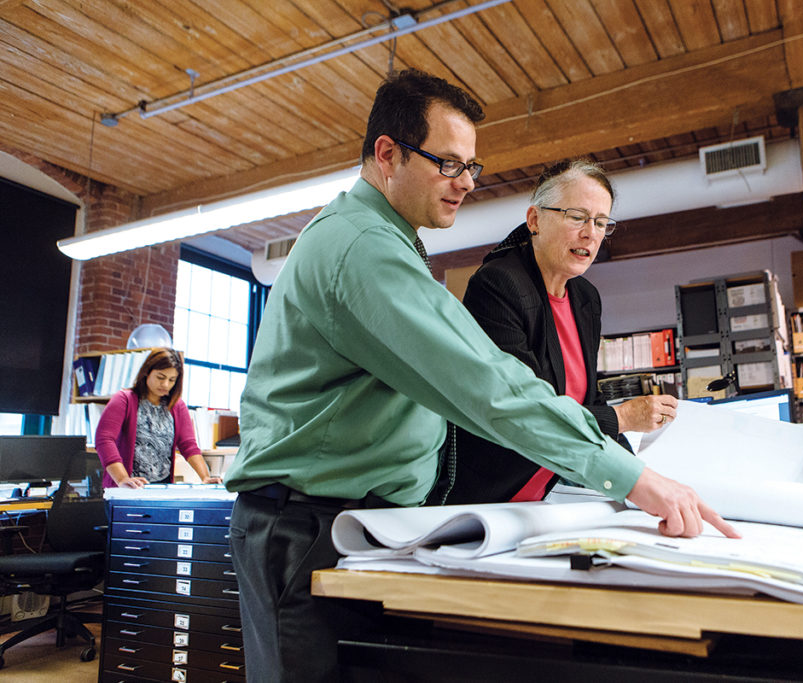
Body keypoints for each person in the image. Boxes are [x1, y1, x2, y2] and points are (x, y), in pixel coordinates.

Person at [224, 69, 737, 683]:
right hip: (306, 526)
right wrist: (633, 477)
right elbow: (487, 385)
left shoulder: (388, 240)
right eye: (447, 163)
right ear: (387, 153)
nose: (466, 182)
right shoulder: (364, 249)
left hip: (362, 523)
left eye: (472, 165)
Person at [436, 159, 678, 505]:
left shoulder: (585, 298)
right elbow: (526, 412)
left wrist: (640, 479)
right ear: (535, 220)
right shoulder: (498, 285)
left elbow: (588, 401)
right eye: (577, 217)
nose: (590, 233)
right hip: (487, 495)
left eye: (600, 222)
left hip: (544, 494)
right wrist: (624, 417)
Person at [94, 347, 220, 488]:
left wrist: (205, 477)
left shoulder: (177, 406)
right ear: (147, 372)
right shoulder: (124, 400)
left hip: (160, 489)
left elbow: (188, 446)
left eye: (172, 380)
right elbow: (104, 439)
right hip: (126, 489)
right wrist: (122, 478)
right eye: (160, 377)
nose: (166, 384)